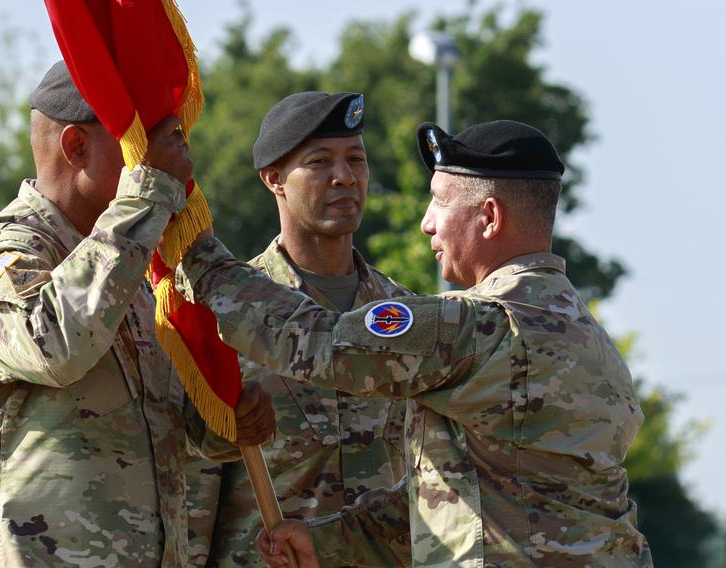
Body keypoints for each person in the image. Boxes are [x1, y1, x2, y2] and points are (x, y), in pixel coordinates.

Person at [174, 120, 654, 567]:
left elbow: (323, 342)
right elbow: (455, 501)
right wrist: (324, 540)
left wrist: (201, 261)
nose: (427, 223)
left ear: (489, 217)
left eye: (440, 202)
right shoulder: (590, 339)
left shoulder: (478, 330)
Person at [0, 61, 275, 567]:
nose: (173, 160)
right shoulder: (1, 256)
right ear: (76, 147)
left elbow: (156, 426)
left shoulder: (123, 267)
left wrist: (221, 424)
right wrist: (148, 192)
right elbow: (55, 347)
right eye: (142, 146)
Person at [184, 92, 409, 567]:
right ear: (274, 179)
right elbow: (191, 487)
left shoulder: (404, 317)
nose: (345, 177)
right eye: (319, 161)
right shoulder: (226, 316)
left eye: (356, 160)